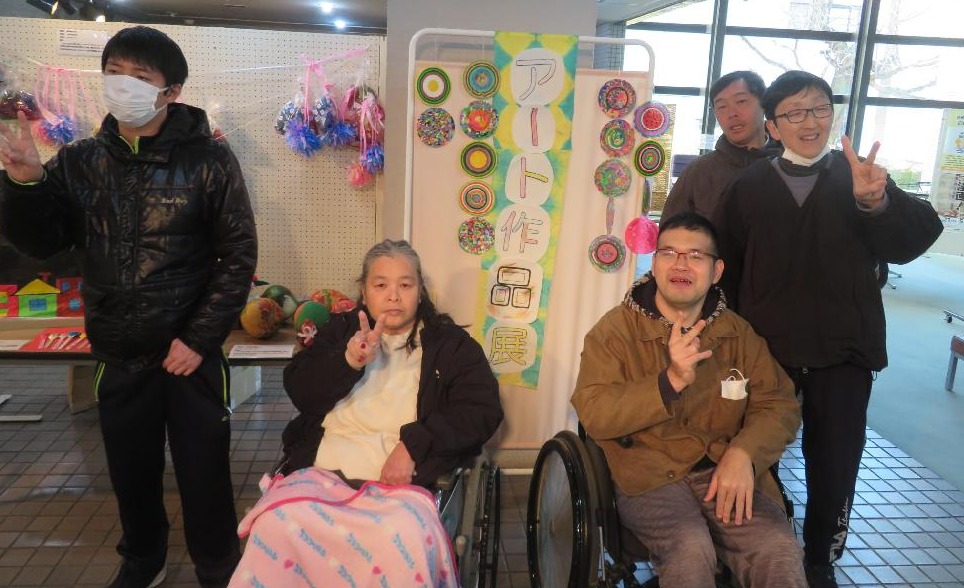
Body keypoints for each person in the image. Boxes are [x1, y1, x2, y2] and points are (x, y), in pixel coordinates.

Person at [0, 26, 257, 588]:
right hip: (118, 353)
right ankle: (144, 559)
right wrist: (25, 184)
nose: (123, 85)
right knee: (130, 472)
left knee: (204, 470)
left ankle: (217, 564)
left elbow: (238, 256)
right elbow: (42, 243)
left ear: (172, 91)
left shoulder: (211, 160)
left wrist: (199, 339)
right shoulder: (79, 160)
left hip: (189, 357)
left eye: (141, 77)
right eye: (114, 72)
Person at [717, 70, 944, 587]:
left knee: (836, 461)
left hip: (843, 349)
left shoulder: (858, 176)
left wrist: (875, 203)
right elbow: (726, 266)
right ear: (773, 126)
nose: (810, 122)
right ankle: (760, 547)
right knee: (756, 452)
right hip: (766, 352)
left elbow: (913, 239)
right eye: (794, 112)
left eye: (819, 109)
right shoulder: (747, 188)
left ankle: (820, 557)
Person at [230, 239, 503, 586]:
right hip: (320, 473)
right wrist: (349, 361)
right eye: (381, 285)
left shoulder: (451, 346)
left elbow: (480, 409)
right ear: (364, 291)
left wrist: (414, 445)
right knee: (276, 522)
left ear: (420, 291)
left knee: (403, 534)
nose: (394, 296)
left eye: (405, 285)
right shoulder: (339, 332)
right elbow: (301, 392)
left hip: (400, 485)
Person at [571, 212, 806, 588]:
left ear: (716, 271)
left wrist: (744, 453)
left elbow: (779, 404)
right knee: (690, 549)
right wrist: (669, 382)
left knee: (778, 548)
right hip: (648, 476)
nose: (681, 264)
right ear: (655, 264)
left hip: (721, 468)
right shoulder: (615, 332)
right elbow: (594, 410)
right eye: (669, 253)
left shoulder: (738, 334)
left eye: (696, 256)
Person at [661, 71, 774, 223]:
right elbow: (670, 231)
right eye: (721, 106)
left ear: (764, 104)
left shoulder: (788, 165)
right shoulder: (699, 171)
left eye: (741, 101)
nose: (731, 113)